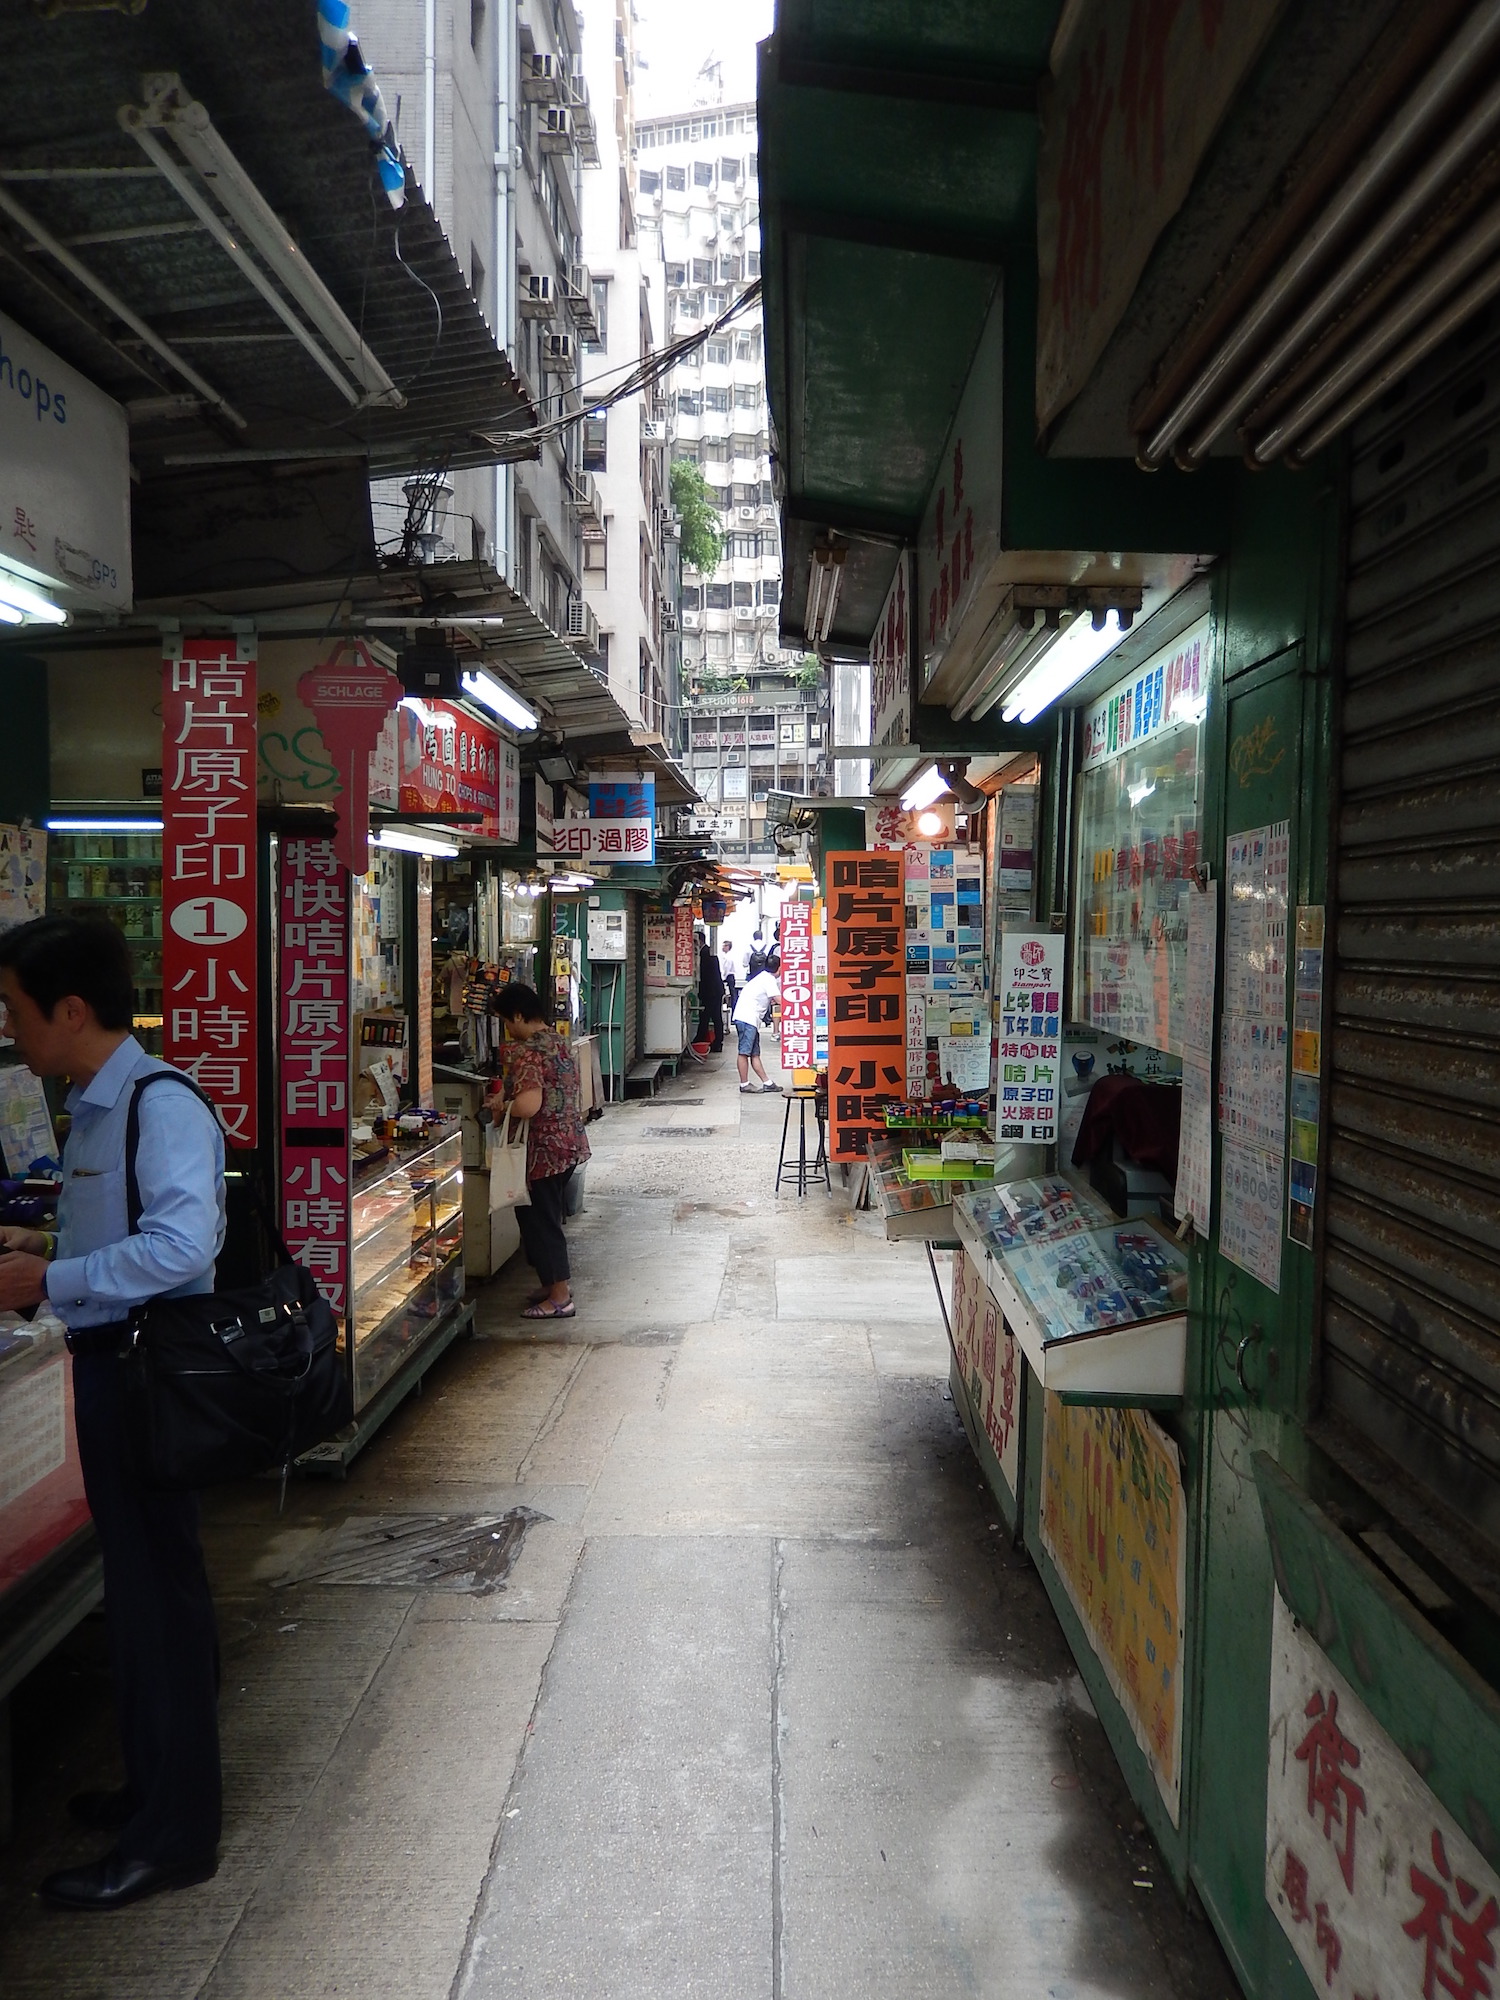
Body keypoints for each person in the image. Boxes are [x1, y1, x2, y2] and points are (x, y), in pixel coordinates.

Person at [0, 917, 226, 1911]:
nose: (11, 1031)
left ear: (72, 1008)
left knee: (159, 1601)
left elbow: (183, 1247)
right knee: (136, 1598)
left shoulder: (156, 1101)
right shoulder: (94, 1107)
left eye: (15, 1010)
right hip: (107, 1370)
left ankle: (175, 1835)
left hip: (144, 1379)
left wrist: (49, 1273)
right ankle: (154, 1791)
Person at [488, 984, 590, 1319]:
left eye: (506, 1021)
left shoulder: (528, 1051)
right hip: (568, 1144)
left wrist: (502, 1105)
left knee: (541, 1223)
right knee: (541, 1219)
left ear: (518, 1015)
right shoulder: (558, 1042)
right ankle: (551, 1284)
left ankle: (560, 1297)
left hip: (543, 1153)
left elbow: (529, 1105)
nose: (507, 1029)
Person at [732, 965, 781, 1093]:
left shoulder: (762, 977)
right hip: (747, 1018)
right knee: (744, 1052)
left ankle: (767, 1082)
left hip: (749, 1019)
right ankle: (744, 1084)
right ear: (779, 968)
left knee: (754, 1053)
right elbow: (778, 999)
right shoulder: (769, 979)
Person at [695, 933, 725, 1053]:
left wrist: (702, 993)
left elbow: (706, 976)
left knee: (708, 1016)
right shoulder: (709, 952)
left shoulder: (705, 953)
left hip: (711, 991)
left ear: (699, 941)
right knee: (714, 1016)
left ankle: (702, 1040)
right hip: (714, 990)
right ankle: (716, 1042)